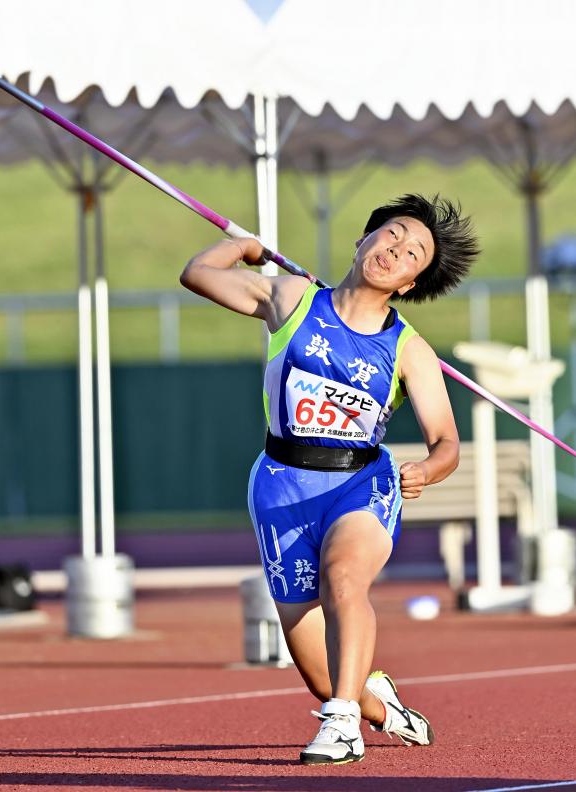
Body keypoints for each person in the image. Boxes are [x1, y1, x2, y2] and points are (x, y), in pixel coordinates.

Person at [180, 194, 479, 766]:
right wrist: (244, 247)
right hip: (280, 487)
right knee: (322, 675)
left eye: (413, 252)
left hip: (358, 483)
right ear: (363, 240)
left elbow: (447, 443)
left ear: (411, 283)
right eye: (391, 234)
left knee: (344, 579)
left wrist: (424, 470)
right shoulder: (290, 298)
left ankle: (342, 725)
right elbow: (198, 274)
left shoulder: (410, 350)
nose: (396, 250)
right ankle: (376, 705)